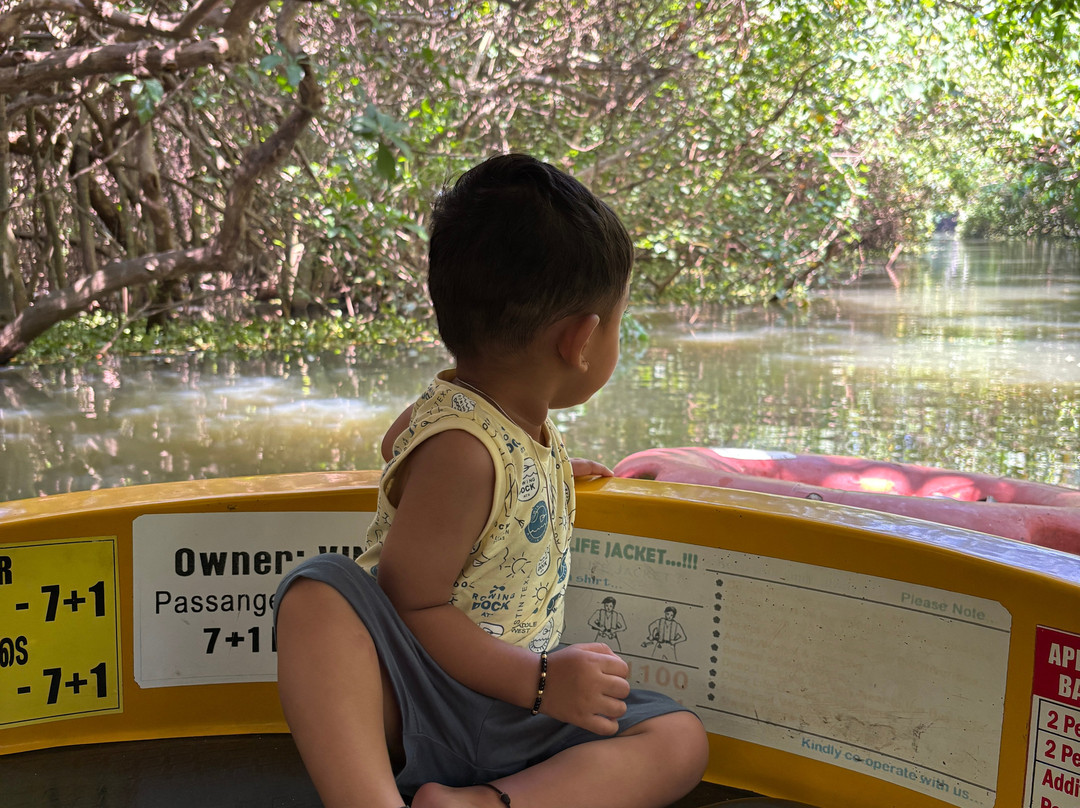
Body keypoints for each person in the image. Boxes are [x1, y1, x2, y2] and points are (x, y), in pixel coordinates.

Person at [274, 154, 708, 808]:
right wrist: (540, 683)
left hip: (512, 712)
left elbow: (399, 442)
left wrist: (549, 472)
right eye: (618, 321)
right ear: (582, 341)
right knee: (317, 596)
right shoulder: (464, 451)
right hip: (419, 691)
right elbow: (412, 601)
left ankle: (487, 804)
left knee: (679, 740)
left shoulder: (487, 423)